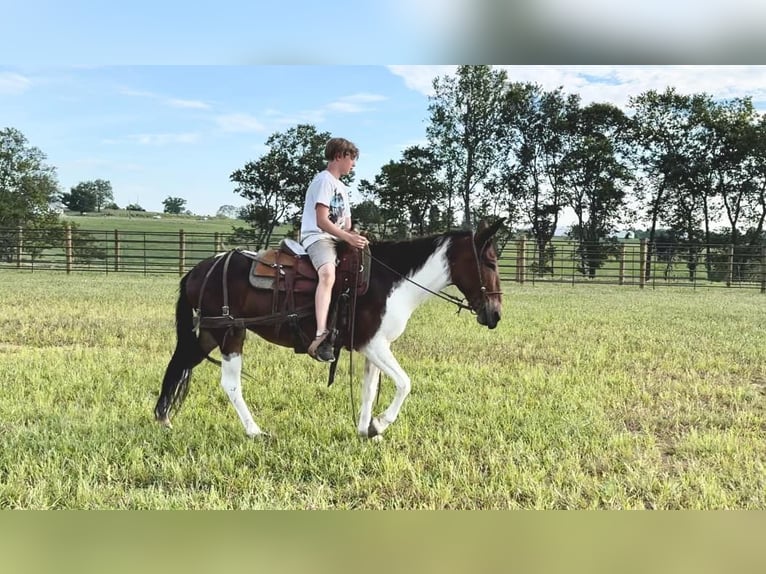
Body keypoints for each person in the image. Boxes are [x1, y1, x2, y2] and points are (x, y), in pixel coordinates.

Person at [300, 137, 369, 362]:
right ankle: (320, 334)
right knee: (328, 273)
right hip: (318, 238)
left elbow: (346, 224)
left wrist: (355, 237)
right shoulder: (324, 181)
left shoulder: (342, 188)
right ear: (339, 156)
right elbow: (321, 220)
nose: (354, 164)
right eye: (352, 159)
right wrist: (347, 237)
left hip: (337, 238)